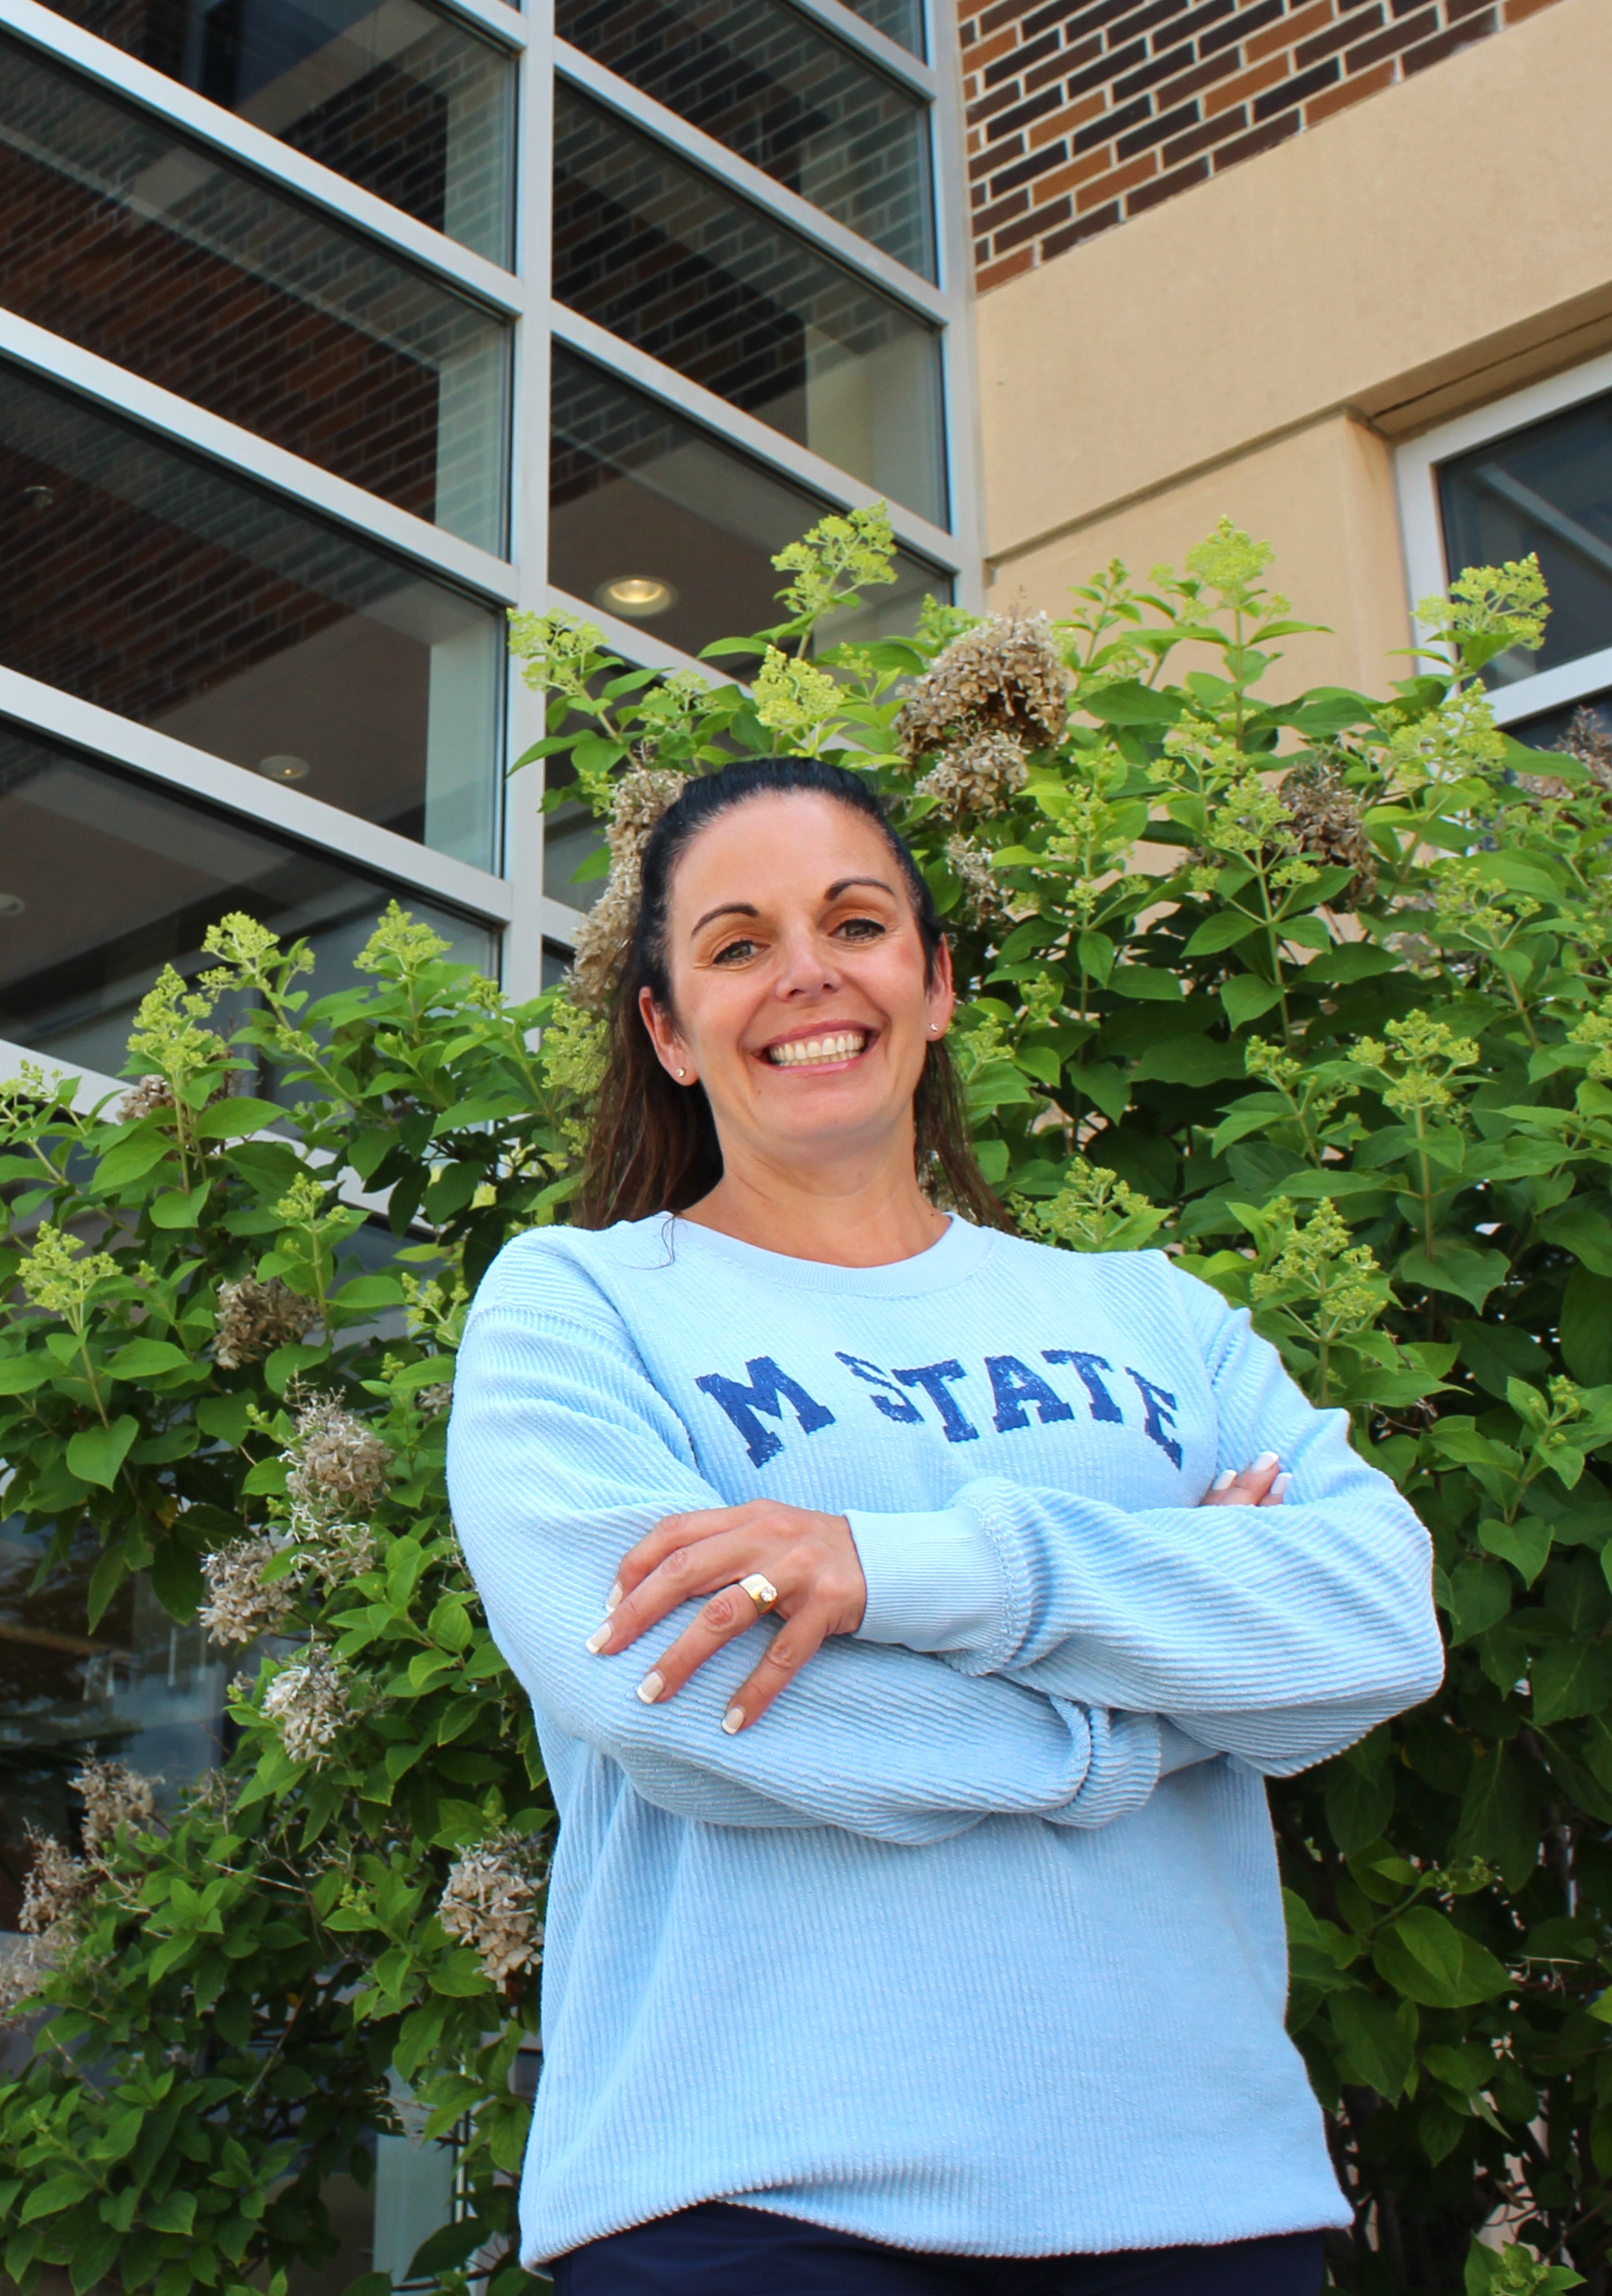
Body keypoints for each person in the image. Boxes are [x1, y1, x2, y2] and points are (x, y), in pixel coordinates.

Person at [447, 756, 1444, 2293]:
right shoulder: (578, 1307)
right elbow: (687, 1697)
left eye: (855, 922)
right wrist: (1175, 1708)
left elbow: (1375, 1617)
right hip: (753, 2208)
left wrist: (893, 1568)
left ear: (935, 981)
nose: (806, 976)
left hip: (1204, 2200)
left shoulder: (1149, 1315)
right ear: (667, 1029)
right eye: (735, 944)